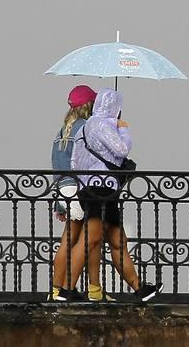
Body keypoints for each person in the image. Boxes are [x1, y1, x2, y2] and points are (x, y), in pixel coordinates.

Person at [70, 88, 161, 303]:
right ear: (115, 107)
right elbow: (121, 149)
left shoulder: (89, 126)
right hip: (99, 190)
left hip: (98, 189)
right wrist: (124, 129)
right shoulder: (100, 125)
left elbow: (76, 161)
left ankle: (140, 289)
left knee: (119, 242)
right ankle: (65, 289)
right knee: (89, 240)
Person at [48, 84, 96, 301]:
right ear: (88, 105)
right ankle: (65, 289)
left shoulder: (61, 132)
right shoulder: (85, 128)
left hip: (62, 188)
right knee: (81, 240)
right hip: (78, 188)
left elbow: (56, 168)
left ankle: (56, 290)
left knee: (68, 240)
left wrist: (59, 204)